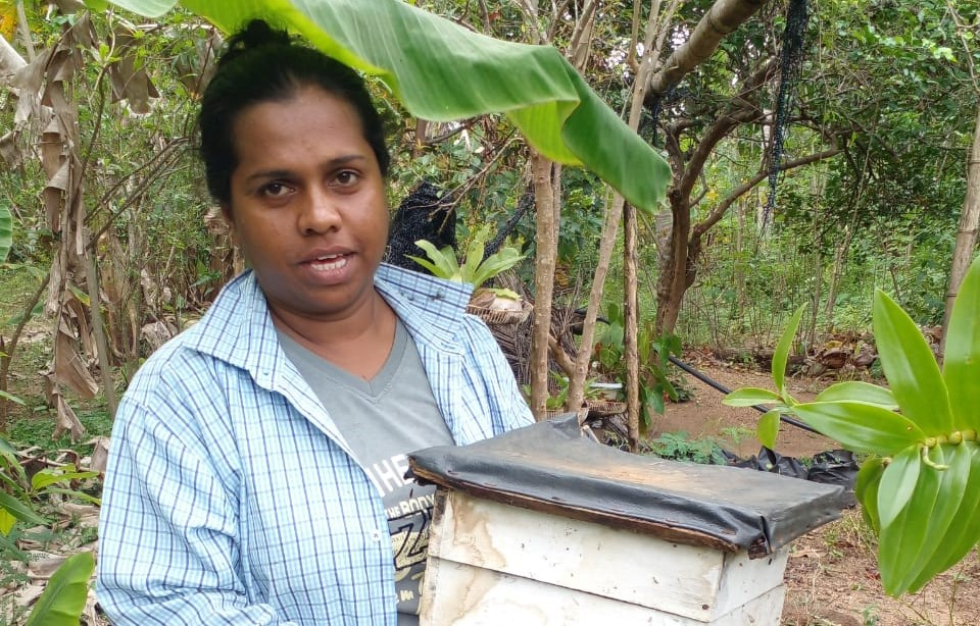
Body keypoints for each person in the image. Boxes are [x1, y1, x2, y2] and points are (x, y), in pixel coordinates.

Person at [96, 19, 533, 626]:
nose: (320, 215)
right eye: (276, 188)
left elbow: (545, 527)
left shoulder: (462, 343)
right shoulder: (181, 400)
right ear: (229, 211)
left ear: (383, 183)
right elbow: (163, 604)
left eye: (345, 177)